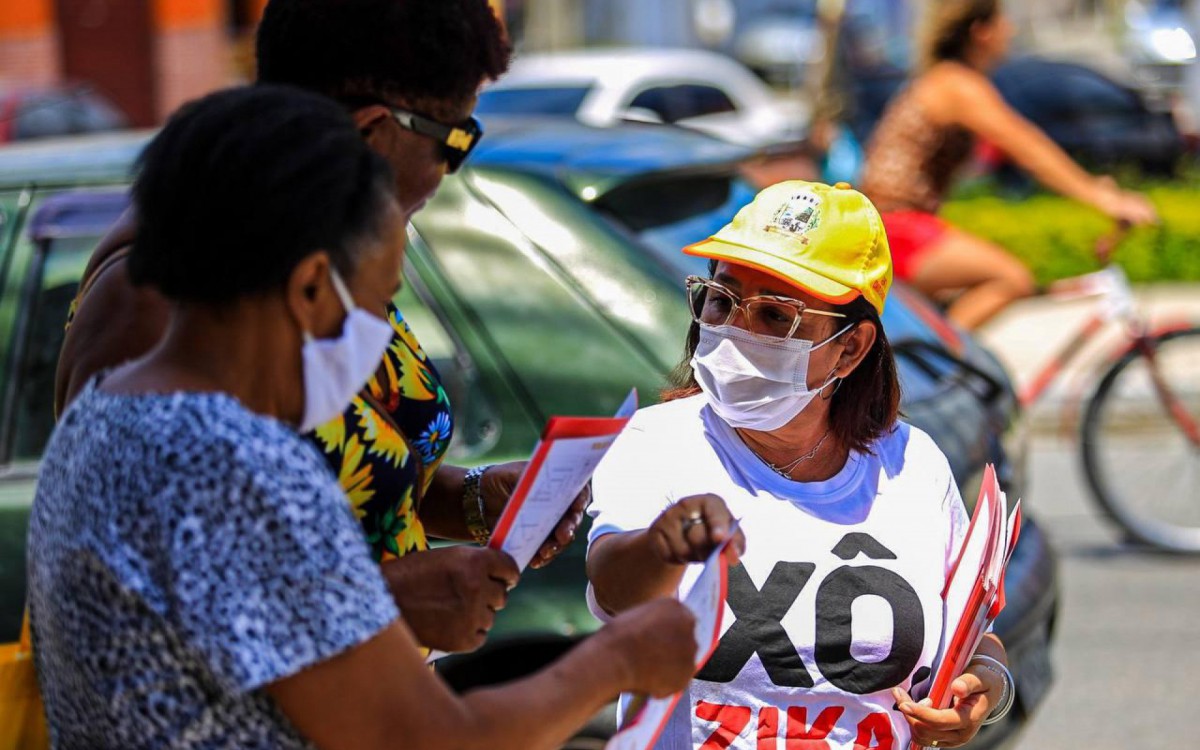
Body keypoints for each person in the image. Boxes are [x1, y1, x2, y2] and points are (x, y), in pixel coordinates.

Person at [28, 85, 698, 750]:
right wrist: (618, 658)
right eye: (381, 300)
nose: (380, 340)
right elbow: (428, 736)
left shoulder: (101, 417)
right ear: (311, 287)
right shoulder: (246, 466)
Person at [51, 0, 579, 655]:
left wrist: (473, 498)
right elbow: (125, 596)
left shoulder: (322, 256)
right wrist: (380, 604)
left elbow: (355, 484)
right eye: (455, 139)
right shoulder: (160, 297)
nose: (448, 172)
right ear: (372, 130)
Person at [585, 180, 1016, 750]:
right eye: (722, 300)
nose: (736, 330)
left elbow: (973, 637)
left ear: (850, 348)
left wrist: (987, 686)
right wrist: (666, 546)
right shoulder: (655, 444)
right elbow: (613, 587)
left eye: (773, 315)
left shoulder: (913, 465)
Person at [860, 0, 1158, 330]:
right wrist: (1102, 199)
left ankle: (938, 365)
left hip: (893, 224)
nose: (1011, 31)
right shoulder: (956, 84)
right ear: (981, 32)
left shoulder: (949, 81)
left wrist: (1093, 186)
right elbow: (1026, 145)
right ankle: (939, 374)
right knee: (1011, 278)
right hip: (896, 228)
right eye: (1004, 22)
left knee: (967, 293)